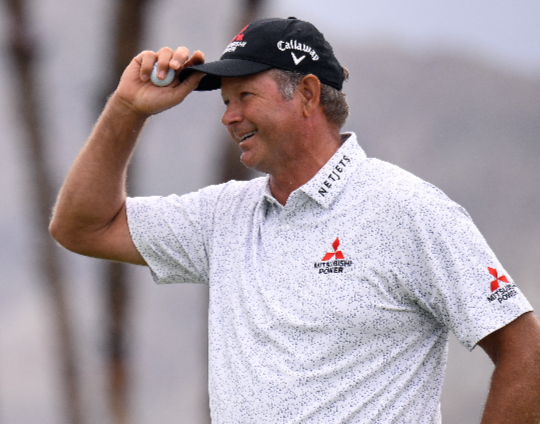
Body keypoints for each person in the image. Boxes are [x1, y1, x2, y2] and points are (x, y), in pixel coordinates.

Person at [49, 17, 540, 424]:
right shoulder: (223, 217)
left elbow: (525, 351)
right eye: (225, 102)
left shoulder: (408, 209)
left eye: (244, 97)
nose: (228, 117)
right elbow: (82, 226)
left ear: (306, 94)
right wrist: (126, 109)